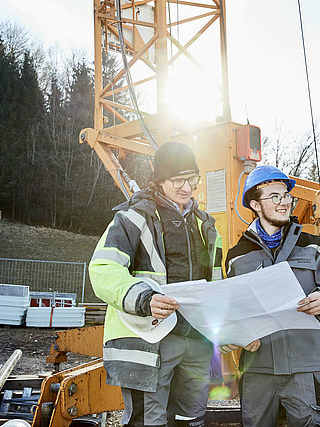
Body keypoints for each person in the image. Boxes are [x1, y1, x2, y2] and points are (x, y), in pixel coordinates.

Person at [89, 141, 223, 427]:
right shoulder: (131, 219)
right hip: (148, 340)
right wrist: (145, 298)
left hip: (196, 340)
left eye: (192, 179)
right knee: (147, 420)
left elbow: (217, 283)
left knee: (191, 418)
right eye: (178, 180)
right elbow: (102, 269)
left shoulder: (206, 226)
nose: (187, 187)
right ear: (160, 180)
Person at [221, 165, 320, 427]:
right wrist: (231, 335)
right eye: (275, 197)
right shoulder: (236, 256)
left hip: (306, 367)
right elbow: (230, 310)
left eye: (286, 196)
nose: (284, 203)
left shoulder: (314, 245)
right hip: (257, 369)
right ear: (255, 205)